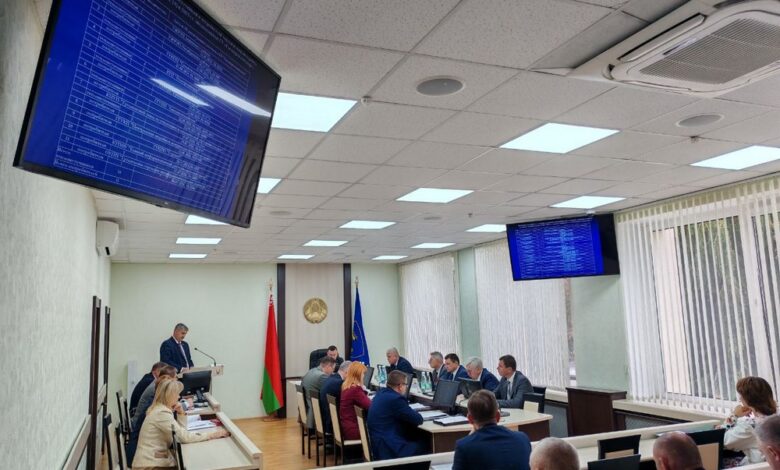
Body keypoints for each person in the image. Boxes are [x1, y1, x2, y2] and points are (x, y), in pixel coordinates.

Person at [132, 379, 228, 469]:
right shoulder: (161, 413)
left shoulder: (159, 408)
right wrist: (211, 435)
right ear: (169, 395)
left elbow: (180, 433)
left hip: (153, 459)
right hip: (149, 465)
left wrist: (181, 413)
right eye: (177, 394)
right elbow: (183, 437)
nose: (178, 397)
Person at [453, 390, 531, 470]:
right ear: (498, 416)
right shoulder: (522, 439)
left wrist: (470, 437)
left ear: (470, 419)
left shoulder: (464, 447)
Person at [367, 370, 426, 460]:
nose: (406, 387)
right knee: (425, 443)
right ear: (400, 386)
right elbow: (418, 419)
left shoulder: (380, 394)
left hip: (378, 444)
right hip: (389, 448)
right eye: (406, 385)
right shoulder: (396, 399)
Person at [127, 365, 178, 467]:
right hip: (141, 457)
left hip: (142, 452)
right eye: (175, 379)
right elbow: (180, 435)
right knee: (177, 459)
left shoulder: (157, 398)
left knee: (175, 457)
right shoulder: (157, 406)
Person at [722, 376, 777, 465]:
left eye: (741, 395)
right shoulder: (775, 419)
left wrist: (734, 416)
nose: (740, 399)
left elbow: (722, 441)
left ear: (748, 399)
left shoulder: (748, 427)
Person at [302, 356, 336, 429]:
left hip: (308, 404)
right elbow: (331, 389)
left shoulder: (312, 371)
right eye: (333, 368)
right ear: (328, 366)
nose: (333, 371)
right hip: (316, 408)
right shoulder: (322, 376)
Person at [340, 362, 372, 440]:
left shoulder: (346, 386)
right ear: (358, 375)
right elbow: (371, 406)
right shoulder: (355, 390)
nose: (364, 376)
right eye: (363, 374)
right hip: (355, 430)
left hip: (346, 427)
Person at [320, 360, 351, 433]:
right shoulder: (339, 383)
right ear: (347, 372)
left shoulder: (331, 378)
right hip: (332, 424)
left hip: (326, 419)